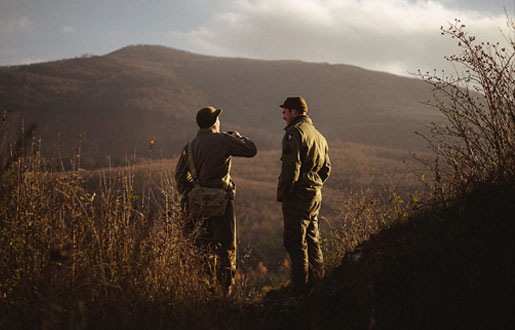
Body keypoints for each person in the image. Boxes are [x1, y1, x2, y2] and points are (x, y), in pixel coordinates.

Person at [175, 106, 257, 296]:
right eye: (217, 120)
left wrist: (194, 193)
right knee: (226, 248)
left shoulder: (190, 146)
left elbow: (180, 176)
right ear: (214, 124)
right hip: (222, 204)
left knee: (202, 249)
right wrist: (238, 137)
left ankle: (204, 291)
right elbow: (251, 150)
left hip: (197, 206)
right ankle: (225, 293)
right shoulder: (223, 140)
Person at [277, 96, 331, 297]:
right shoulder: (319, 136)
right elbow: (326, 168)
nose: (283, 117)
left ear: (294, 112)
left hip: (298, 196)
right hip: (314, 194)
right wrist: (315, 185)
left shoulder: (294, 133)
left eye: (285, 112)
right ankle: (318, 283)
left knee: (294, 241)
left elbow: (291, 167)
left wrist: (286, 192)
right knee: (313, 239)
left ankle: (300, 290)